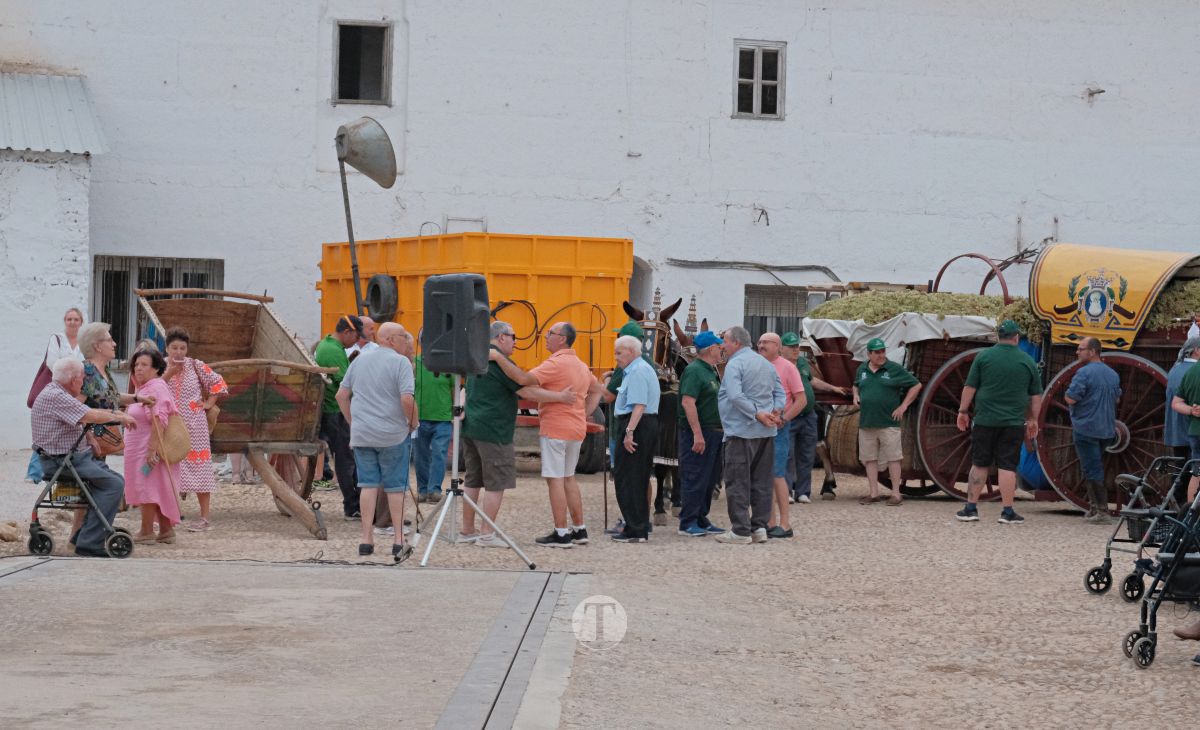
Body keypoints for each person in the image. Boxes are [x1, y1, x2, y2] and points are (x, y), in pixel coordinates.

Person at [458, 321, 575, 547]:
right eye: (513, 337)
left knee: (472, 479)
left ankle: (467, 530)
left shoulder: (477, 357)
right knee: (496, 482)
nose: (515, 342)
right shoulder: (500, 362)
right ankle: (486, 535)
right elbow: (526, 389)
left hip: (472, 427)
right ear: (501, 337)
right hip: (494, 430)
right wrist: (560, 397)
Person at [32, 358, 138, 557]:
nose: (83, 383)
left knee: (113, 481)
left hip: (71, 458)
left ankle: (84, 535)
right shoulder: (57, 396)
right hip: (64, 462)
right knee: (114, 485)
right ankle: (89, 543)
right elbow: (91, 415)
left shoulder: (56, 393)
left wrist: (90, 435)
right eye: (82, 378)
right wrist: (120, 417)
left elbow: (82, 415)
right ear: (73, 380)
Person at [336, 322, 417, 560]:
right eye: (403, 336)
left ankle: (366, 539)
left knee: (368, 485)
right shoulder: (401, 362)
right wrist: (413, 422)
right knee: (395, 487)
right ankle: (398, 540)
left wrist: (353, 422)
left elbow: (341, 395)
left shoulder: (359, 360)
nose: (406, 341)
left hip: (363, 433)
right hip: (392, 433)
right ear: (390, 339)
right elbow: (406, 399)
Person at [955, 320, 1043, 524]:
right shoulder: (1027, 360)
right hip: (1013, 422)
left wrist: (963, 411)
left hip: (985, 420)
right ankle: (1007, 511)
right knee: (1007, 466)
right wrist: (1033, 419)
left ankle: (970, 508)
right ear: (1016, 338)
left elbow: (970, 387)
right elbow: (1035, 395)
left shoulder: (983, 356)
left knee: (979, 464)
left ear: (998, 337)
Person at [529, 321, 605, 548]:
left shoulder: (555, 363)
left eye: (550, 333)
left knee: (555, 479)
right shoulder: (580, 365)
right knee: (569, 477)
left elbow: (525, 381)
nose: (545, 337)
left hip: (555, 427)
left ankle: (561, 532)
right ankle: (580, 529)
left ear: (562, 339)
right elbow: (598, 389)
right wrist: (584, 412)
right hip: (575, 428)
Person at [714, 326, 785, 545]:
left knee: (737, 481)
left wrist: (756, 413)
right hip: (766, 432)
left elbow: (735, 396)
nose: (723, 346)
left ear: (736, 343)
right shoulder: (766, 364)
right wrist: (776, 411)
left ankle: (740, 531)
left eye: (725, 341)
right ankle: (759, 528)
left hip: (741, 430)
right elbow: (780, 392)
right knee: (762, 481)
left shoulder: (735, 364)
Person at [161, 327, 229, 532]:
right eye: (174, 347)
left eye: (182, 348)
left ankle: (204, 518)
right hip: (169, 426)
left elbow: (219, 383)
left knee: (200, 469)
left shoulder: (196, 365)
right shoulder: (160, 366)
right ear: (167, 348)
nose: (179, 352)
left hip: (195, 426)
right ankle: (166, 516)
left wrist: (209, 403)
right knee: (167, 468)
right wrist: (169, 373)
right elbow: (153, 388)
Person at [853, 337, 921, 506]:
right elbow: (856, 384)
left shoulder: (894, 369)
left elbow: (916, 385)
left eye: (883, 351)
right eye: (877, 352)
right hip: (867, 422)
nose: (881, 355)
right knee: (869, 458)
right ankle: (873, 493)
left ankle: (896, 494)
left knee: (893, 458)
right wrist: (855, 395)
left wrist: (903, 406)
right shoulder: (862, 369)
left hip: (889, 422)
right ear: (869, 354)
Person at [124, 349, 183, 544]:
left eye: (144, 365)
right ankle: (166, 530)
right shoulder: (145, 387)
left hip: (148, 450)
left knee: (146, 487)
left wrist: (152, 449)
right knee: (155, 487)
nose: (138, 368)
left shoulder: (155, 388)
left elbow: (159, 419)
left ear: (156, 368)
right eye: (136, 364)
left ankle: (146, 530)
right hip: (142, 449)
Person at [781, 331, 847, 503]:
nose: (796, 349)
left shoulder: (802, 363)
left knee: (807, 454)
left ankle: (803, 492)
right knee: (787, 454)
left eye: (797, 346)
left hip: (808, 416)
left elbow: (812, 381)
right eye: (791, 347)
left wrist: (832, 388)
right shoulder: (779, 366)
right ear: (782, 349)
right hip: (789, 416)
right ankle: (786, 491)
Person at [1064, 337, 1121, 523]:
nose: (1077, 352)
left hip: (1086, 428)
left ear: (1092, 351)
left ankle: (1102, 511)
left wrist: (1067, 396)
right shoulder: (1112, 374)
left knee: (1092, 469)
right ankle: (1094, 508)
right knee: (1093, 466)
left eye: (1080, 349)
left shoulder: (1083, 373)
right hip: (1107, 429)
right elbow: (1117, 398)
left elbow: (1071, 398)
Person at [610, 334, 660, 543]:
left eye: (618, 353)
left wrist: (629, 432)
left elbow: (639, 405)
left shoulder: (638, 371)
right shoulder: (637, 369)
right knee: (634, 477)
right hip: (640, 423)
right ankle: (636, 526)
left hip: (637, 424)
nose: (616, 357)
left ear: (630, 351)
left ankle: (636, 529)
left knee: (630, 478)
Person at [26, 307, 85, 483]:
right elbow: (52, 362)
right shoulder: (57, 339)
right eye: (69, 319)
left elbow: (85, 363)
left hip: (75, 389)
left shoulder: (83, 342)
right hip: (57, 388)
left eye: (76, 319)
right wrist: (68, 376)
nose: (72, 322)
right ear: (65, 321)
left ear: (81, 322)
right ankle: (34, 473)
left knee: (65, 430)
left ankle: (57, 471)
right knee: (48, 429)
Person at [677, 330, 726, 537]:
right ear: (711, 349)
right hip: (700, 432)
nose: (722, 350)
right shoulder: (695, 371)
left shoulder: (710, 370)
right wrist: (697, 434)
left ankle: (701, 517)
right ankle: (688, 521)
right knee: (695, 476)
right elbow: (688, 402)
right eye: (719, 347)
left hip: (714, 432)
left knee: (709, 478)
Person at [757, 332, 806, 539]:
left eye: (766, 342)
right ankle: (770, 522)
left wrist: (784, 418)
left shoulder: (788, 367)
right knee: (765, 475)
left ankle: (785, 524)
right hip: (760, 427)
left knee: (777, 474)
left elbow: (801, 400)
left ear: (777, 346)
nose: (761, 345)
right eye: (759, 342)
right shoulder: (757, 365)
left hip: (779, 428)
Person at [315, 315, 361, 519]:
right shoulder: (333, 351)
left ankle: (355, 503)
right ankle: (352, 506)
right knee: (345, 459)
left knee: (346, 459)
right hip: (335, 411)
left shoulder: (328, 344)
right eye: (356, 336)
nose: (357, 341)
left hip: (330, 408)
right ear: (347, 332)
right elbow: (346, 384)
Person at [413, 343, 454, 503]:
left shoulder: (449, 365)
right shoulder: (414, 364)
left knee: (439, 454)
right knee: (420, 456)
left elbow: (453, 390)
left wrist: (454, 412)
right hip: (420, 417)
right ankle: (423, 490)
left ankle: (434, 489)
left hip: (443, 418)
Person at [1164, 338, 1200, 459]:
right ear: (1197, 350)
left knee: (1180, 467)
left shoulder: (1174, 370)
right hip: (1191, 430)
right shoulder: (1194, 371)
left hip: (1176, 431)